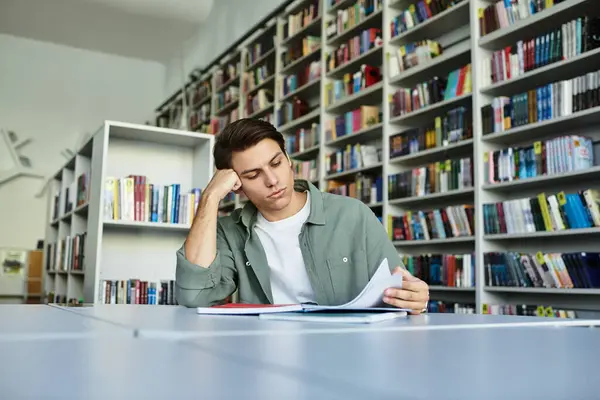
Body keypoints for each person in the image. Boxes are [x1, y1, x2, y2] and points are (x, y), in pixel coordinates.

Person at [175, 118, 429, 314]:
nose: (272, 181)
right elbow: (194, 297)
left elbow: (399, 292)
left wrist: (415, 298)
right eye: (253, 175)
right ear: (236, 184)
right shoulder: (230, 232)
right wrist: (210, 198)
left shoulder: (353, 214)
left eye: (275, 164)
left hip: (349, 355)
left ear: (288, 160)